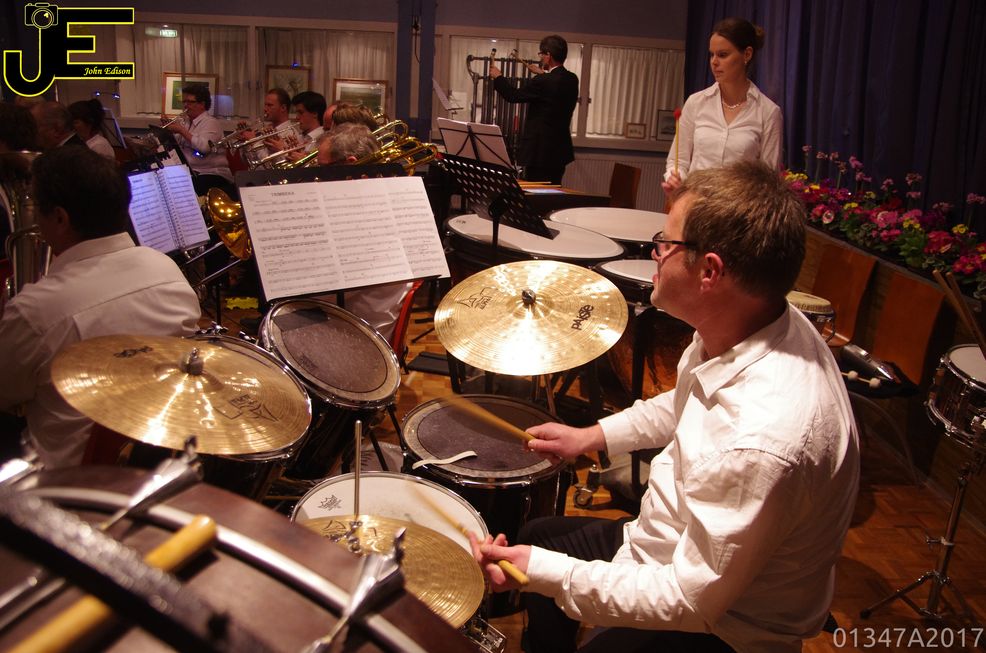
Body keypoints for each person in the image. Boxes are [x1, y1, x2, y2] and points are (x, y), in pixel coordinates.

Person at [471, 161, 860, 653]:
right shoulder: (752, 319)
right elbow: (683, 403)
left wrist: (548, 573)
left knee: (543, 565)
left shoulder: (762, 438)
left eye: (666, 242)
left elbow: (688, 601)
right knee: (542, 535)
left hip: (723, 629)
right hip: (664, 544)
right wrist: (590, 436)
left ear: (710, 271)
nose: (654, 251)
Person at [0, 147, 201, 469]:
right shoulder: (166, 269)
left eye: (37, 208)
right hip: (151, 458)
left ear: (60, 218)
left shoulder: (37, 310)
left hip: (65, 478)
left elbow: (6, 393)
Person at [662, 17, 782, 197]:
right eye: (712, 54)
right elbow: (677, 160)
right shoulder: (696, 102)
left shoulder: (768, 112)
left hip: (738, 210)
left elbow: (768, 179)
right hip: (694, 204)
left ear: (747, 54)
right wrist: (675, 178)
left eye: (723, 55)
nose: (714, 62)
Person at [490, 34, 579, 185]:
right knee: (553, 190)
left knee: (538, 193)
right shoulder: (572, 79)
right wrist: (543, 73)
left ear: (548, 56)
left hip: (539, 153)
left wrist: (498, 77)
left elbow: (513, 95)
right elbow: (555, 85)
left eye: (541, 54)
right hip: (559, 153)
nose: (540, 58)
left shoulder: (542, 81)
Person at [161, 84, 235, 197]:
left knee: (181, 189)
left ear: (202, 104)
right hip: (192, 172)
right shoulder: (186, 122)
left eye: (190, 102)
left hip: (211, 173)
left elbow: (204, 148)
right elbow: (177, 146)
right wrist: (168, 133)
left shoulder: (211, 123)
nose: (186, 105)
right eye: (184, 101)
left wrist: (181, 130)